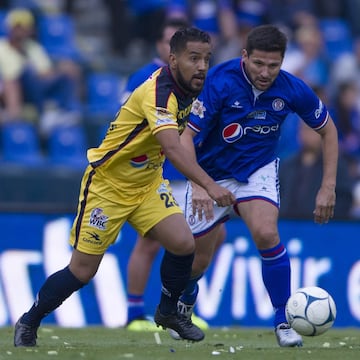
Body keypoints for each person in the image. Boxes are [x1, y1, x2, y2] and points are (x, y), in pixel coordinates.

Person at [13, 26, 236, 347]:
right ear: (173, 60)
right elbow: (173, 148)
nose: (202, 65)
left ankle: (167, 312)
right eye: (193, 58)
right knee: (82, 270)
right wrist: (208, 185)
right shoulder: (158, 93)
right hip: (108, 185)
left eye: (206, 58)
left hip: (147, 183)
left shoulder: (192, 87)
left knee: (183, 243)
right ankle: (30, 319)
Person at [174, 24, 338, 347]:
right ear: (244, 56)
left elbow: (329, 131)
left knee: (266, 233)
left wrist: (328, 186)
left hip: (257, 168)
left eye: (273, 66)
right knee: (198, 259)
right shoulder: (219, 81)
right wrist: (202, 185)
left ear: (283, 62)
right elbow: (186, 138)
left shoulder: (292, 88)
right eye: (258, 64)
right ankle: (186, 298)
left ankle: (283, 320)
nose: (265, 72)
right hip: (210, 172)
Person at [121, 16, 226, 332]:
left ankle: (180, 306)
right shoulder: (144, 78)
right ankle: (134, 313)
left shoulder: (199, 80)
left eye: (202, 57)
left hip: (191, 171)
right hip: (159, 173)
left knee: (213, 235)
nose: (199, 63)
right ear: (166, 49)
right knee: (149, 242)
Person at [0, 8, 82, 134]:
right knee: (21, 75)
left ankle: (62, 112)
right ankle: (28, 114)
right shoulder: (1, 47)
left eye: (24, 27)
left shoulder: (34, 48)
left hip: (33, 87)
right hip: (7, 89)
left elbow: (45, 73)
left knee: (68, 69)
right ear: (10, 28)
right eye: (18, 26)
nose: (21, 31)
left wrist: (59, 69)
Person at [279, 121, 353, 219]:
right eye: (304, 130)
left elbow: (345, 198)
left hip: (323, 226)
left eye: (312, 130)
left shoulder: (335, 166)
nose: (307, 135)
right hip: (288, 224)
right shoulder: (287, 165)